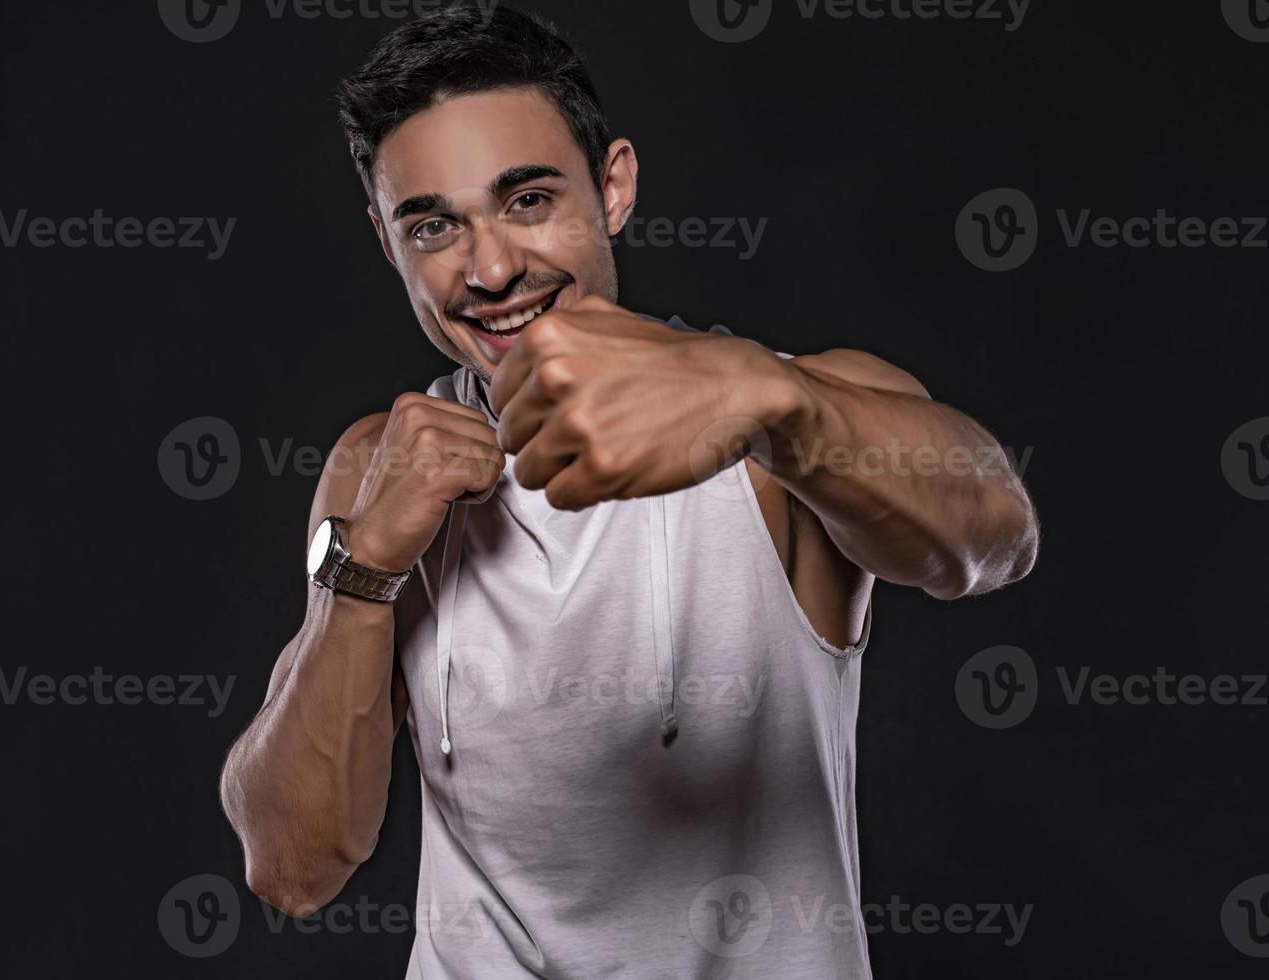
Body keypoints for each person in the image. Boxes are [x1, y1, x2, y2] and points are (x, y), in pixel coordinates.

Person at [220, 7, 1038, 977]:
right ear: (388, 242)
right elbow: (295, 865)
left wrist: (778, 400)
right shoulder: (380, 464)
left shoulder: (777, 414)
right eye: (434, 224)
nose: (488, 269)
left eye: (527, 200)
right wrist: (359, 574)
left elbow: (993, 537)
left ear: (613, 186)